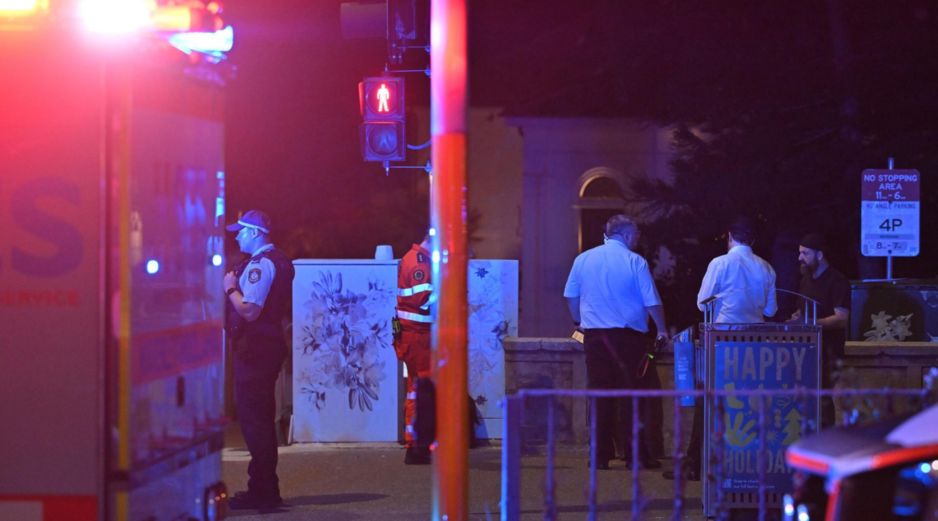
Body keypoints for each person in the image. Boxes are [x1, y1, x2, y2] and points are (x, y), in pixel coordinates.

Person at [665, 216, 778, 481]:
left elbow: (702, 304)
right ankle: (742, 464)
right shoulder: (767, 268)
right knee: (746, 406)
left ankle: (696, 464)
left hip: (722, 343)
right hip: (754, 347)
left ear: (729, 237)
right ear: (753, 240)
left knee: (710, 401)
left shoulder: (720, 263)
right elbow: (771, 310)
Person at [563, 214, 669, 470]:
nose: (637, 240)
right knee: (631, 397)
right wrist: (662, 330)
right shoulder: (636, 262)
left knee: (600, 396)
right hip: (628, 339)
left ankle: (599, 456)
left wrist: (579, 320)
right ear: (627, 235)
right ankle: (635, 456)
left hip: (595, 337)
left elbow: (571, 296)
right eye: (636, 236)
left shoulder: (583, 259)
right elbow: (651, 301)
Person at [223, 210, 295, 509]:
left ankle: (263, 492)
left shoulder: (261, 265)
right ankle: (264, 488)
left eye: (240, 231)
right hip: (264, 348)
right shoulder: (275, 260)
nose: (237, 236)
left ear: (254, 233)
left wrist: (230, 287)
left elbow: (250, 310)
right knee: (259, 420)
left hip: (256, 350)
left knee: (256, 423)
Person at [791, 233, 850, 427]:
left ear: (819, 255)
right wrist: (796, 318)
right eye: (799, 253)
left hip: (829, 351)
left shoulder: (837, 280)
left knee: (823, 398)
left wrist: (813, 324)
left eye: (805, 253)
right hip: (806, 350)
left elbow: (841, 318)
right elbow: (802, 310)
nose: (800, 258)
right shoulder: (805, 279)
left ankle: (826, 441)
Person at [394, 235, 434, 464]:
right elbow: (424, 298)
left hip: (410, 334)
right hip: (418, 335)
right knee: (424, 390)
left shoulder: (415, 257)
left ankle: (415, 442)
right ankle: (419, 445)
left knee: (415, 390)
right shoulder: (420, 261)